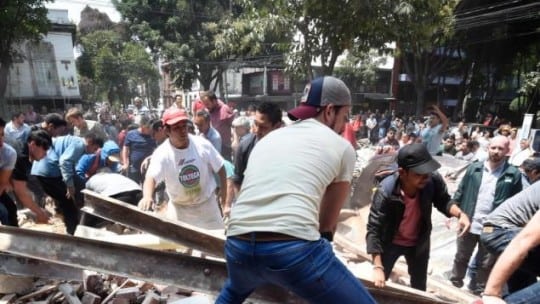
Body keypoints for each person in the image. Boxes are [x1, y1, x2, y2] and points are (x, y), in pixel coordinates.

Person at [216, 76, 376, 304]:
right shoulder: (342, 148)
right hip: (291, 252)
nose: (344, 124)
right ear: (330, 111)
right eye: (344, 116)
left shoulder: (268, 141)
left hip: (237, 246)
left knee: (233, 292)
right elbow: (326, 227)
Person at [366, 143, 468, 291]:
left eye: (427, 172)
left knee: (419, 287)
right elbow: (374, 228)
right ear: (402, 172)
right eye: (418, 174)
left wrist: (460, 214)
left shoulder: (431, 181)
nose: (425, 177)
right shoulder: (386, 191)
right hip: (390, 242)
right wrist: (377, 265)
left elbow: (443, 200)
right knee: (379, 284)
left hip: (418, 244)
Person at [448, 136, 522, 294]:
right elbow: (460, 192)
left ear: (507, 151)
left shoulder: (512, 174)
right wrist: (455, 215)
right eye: (493, 148)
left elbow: (517, 202)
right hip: (468, 221)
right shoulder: (474, 168)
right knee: (461, 256)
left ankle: (478, 292)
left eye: (500, 149)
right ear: (488, 148)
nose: (496, 151)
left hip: (492, 227)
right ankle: (453, 286)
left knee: (486, 263)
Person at [139, 108, 227, 231]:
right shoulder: (162, 153)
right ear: (167, 131)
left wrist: (224, 196)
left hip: (207, 207)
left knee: (218, 244)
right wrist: (147, 196)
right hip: (179, 210)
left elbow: (221, 168)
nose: (182, 131)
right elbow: (151, 177)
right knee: (176, 247)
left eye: (184, 126)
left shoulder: (202, 145)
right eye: (176, 128)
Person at [480, 181, 540, 297]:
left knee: (523, 288)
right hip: (501, 232)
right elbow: (524, 240)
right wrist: (491, 294)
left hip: (501, 232)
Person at [228, 102, 282, 215]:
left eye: (263, 127)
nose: (257, 130)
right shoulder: (244, 147)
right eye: (255, 124)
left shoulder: (288, 150)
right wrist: (242, 207)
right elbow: (237, 181)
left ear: (277, 126)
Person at [31, 133, 86, 235]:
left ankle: (65, 218)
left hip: (38, 170)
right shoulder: (80, 144)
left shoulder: (65, 139)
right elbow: (65, 162)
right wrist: (70, 186)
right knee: (68, 203)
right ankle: (72, 232)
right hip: (49, 172)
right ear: (90, 142)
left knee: (63, 199)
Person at [10, 130, 52, 224]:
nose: (45, 155)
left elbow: (30, 182)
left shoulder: (28, 156)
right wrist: (40, 213)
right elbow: (21, 192)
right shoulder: (20, 157)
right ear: (33, 145)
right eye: (44, 150)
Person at [199, 90, 234, 161]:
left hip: (224, 147)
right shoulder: (208, 111)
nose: (206, 106)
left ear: (214, 101)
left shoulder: (225, 109)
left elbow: (233, 127)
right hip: (211, 145)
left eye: (207, 104)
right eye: (204, 104)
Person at [121, 115, 156, 184]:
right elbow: (125, 149)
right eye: (148, 127)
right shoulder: (131, 134)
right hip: (134, 168)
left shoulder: (153, 135)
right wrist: (125, 163)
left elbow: (157, 150)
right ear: (142, 126)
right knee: (134, 190)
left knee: (149, 189)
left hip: (148, 168)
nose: (150, 129)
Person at [0, 117, 18, 225]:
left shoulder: (8, 154)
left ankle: (15, 237)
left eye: (2, 134)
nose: (0, 140)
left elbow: (2, 183)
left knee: (9, 209)